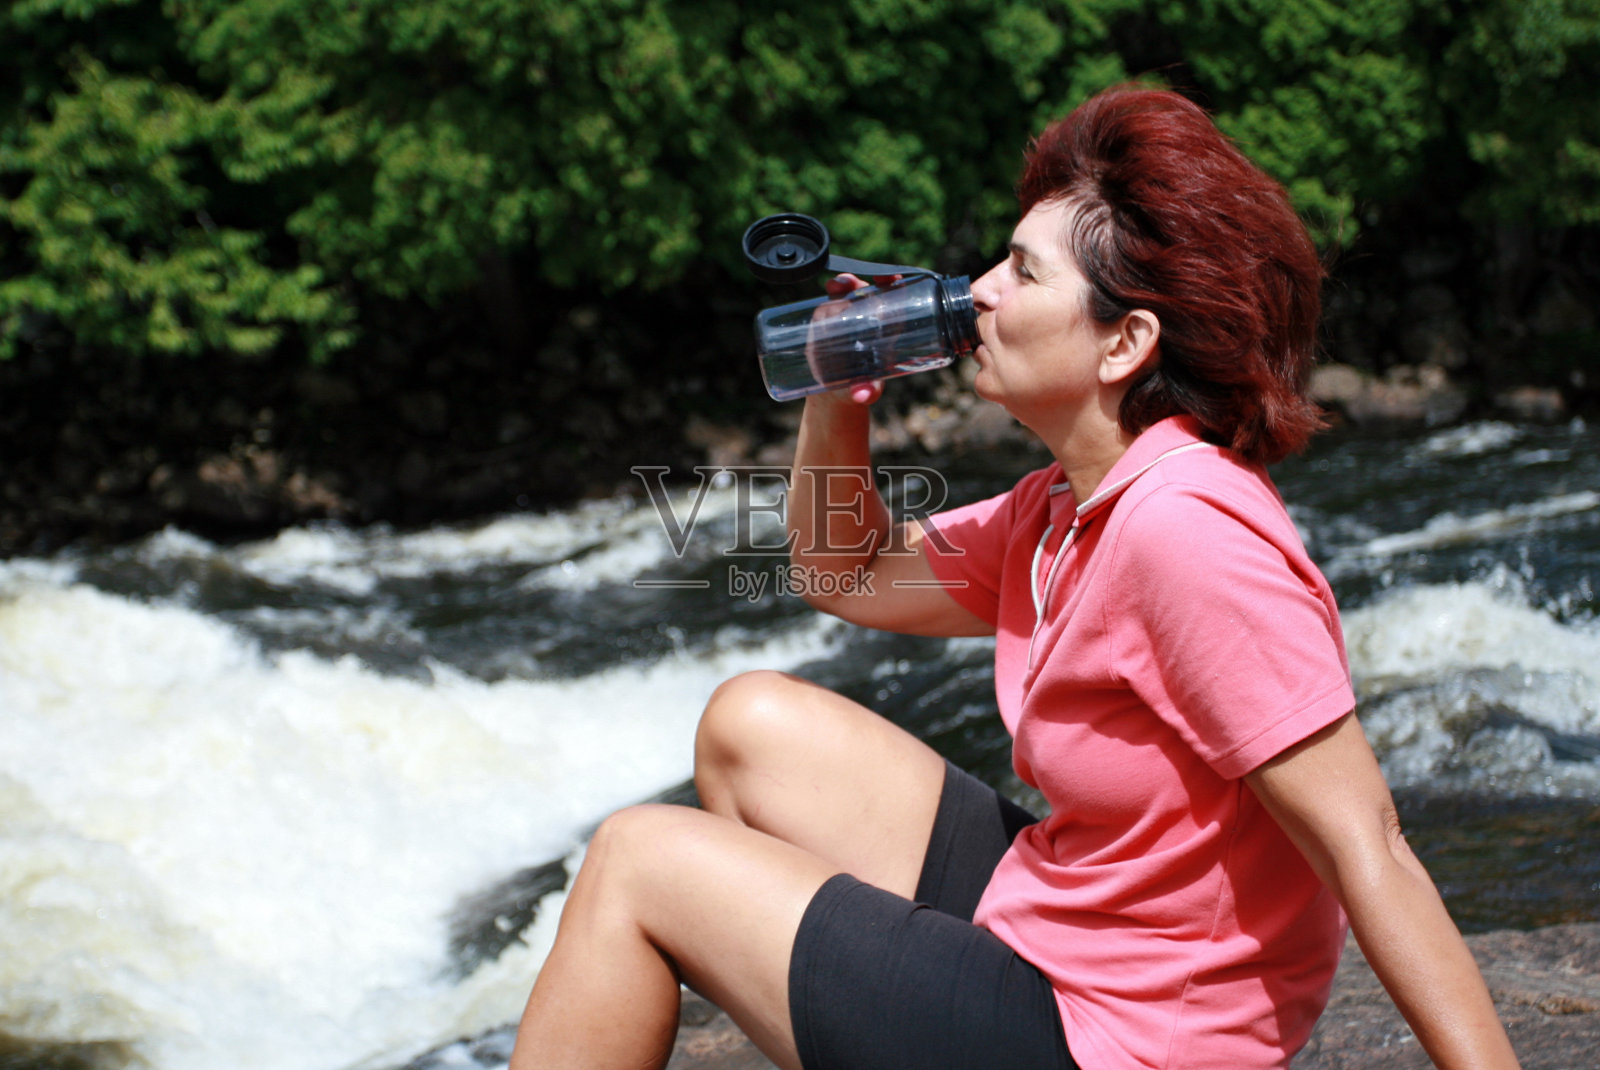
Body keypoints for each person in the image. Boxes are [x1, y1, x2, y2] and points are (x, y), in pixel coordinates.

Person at [509, 86, 1521, 1070]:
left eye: (1023, 274)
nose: (983, 288)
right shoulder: (1066, 503)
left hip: (1123, 1037)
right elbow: (840, 570)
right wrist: (838, 390)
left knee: (638, 858)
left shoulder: (1188, 532)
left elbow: (1369, 844)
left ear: (1124, 341)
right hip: (1063, 931)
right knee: (752, 723)